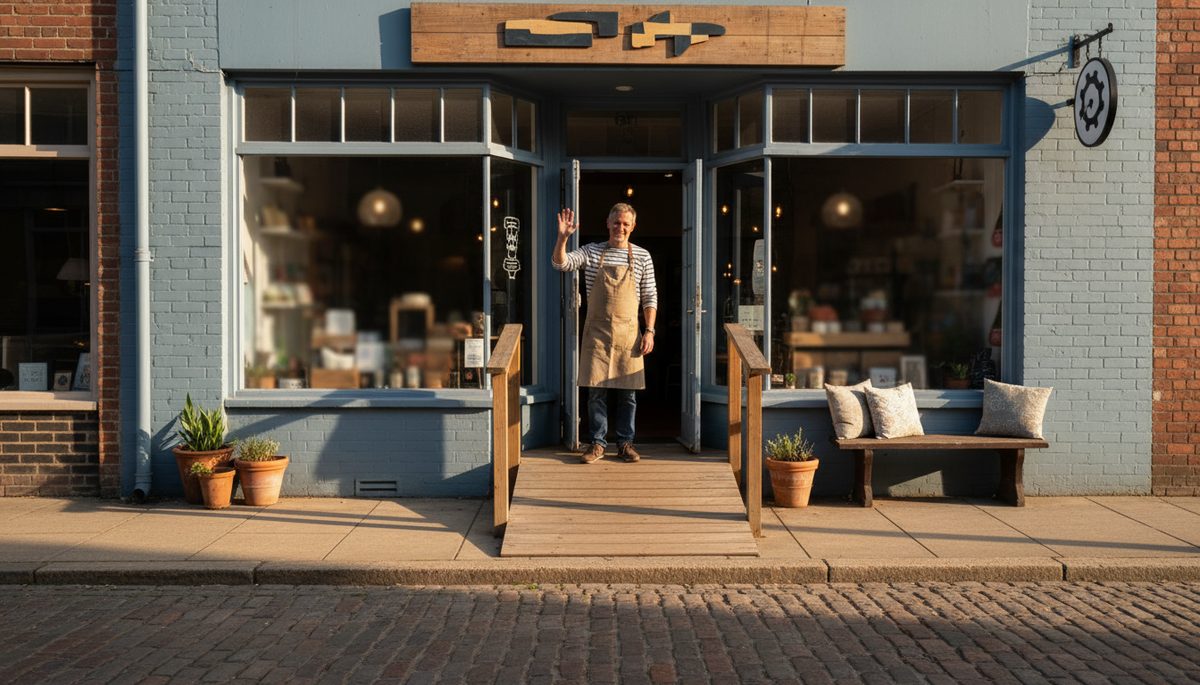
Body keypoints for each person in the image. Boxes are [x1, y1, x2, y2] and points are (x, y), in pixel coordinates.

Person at [552, 203, 657, 464]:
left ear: (633, 227)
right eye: (616, 222)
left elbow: (650, 297)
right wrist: (562, 238)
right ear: (607, 223)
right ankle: (597, 444)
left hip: (629, 334)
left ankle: (625, 443)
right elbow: (560, 264)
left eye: (625, 223)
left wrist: (650, 331)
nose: (620, 227)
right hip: (598, 333)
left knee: (628, 394)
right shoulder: (591, 251)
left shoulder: (642, 256)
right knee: (595, 391)